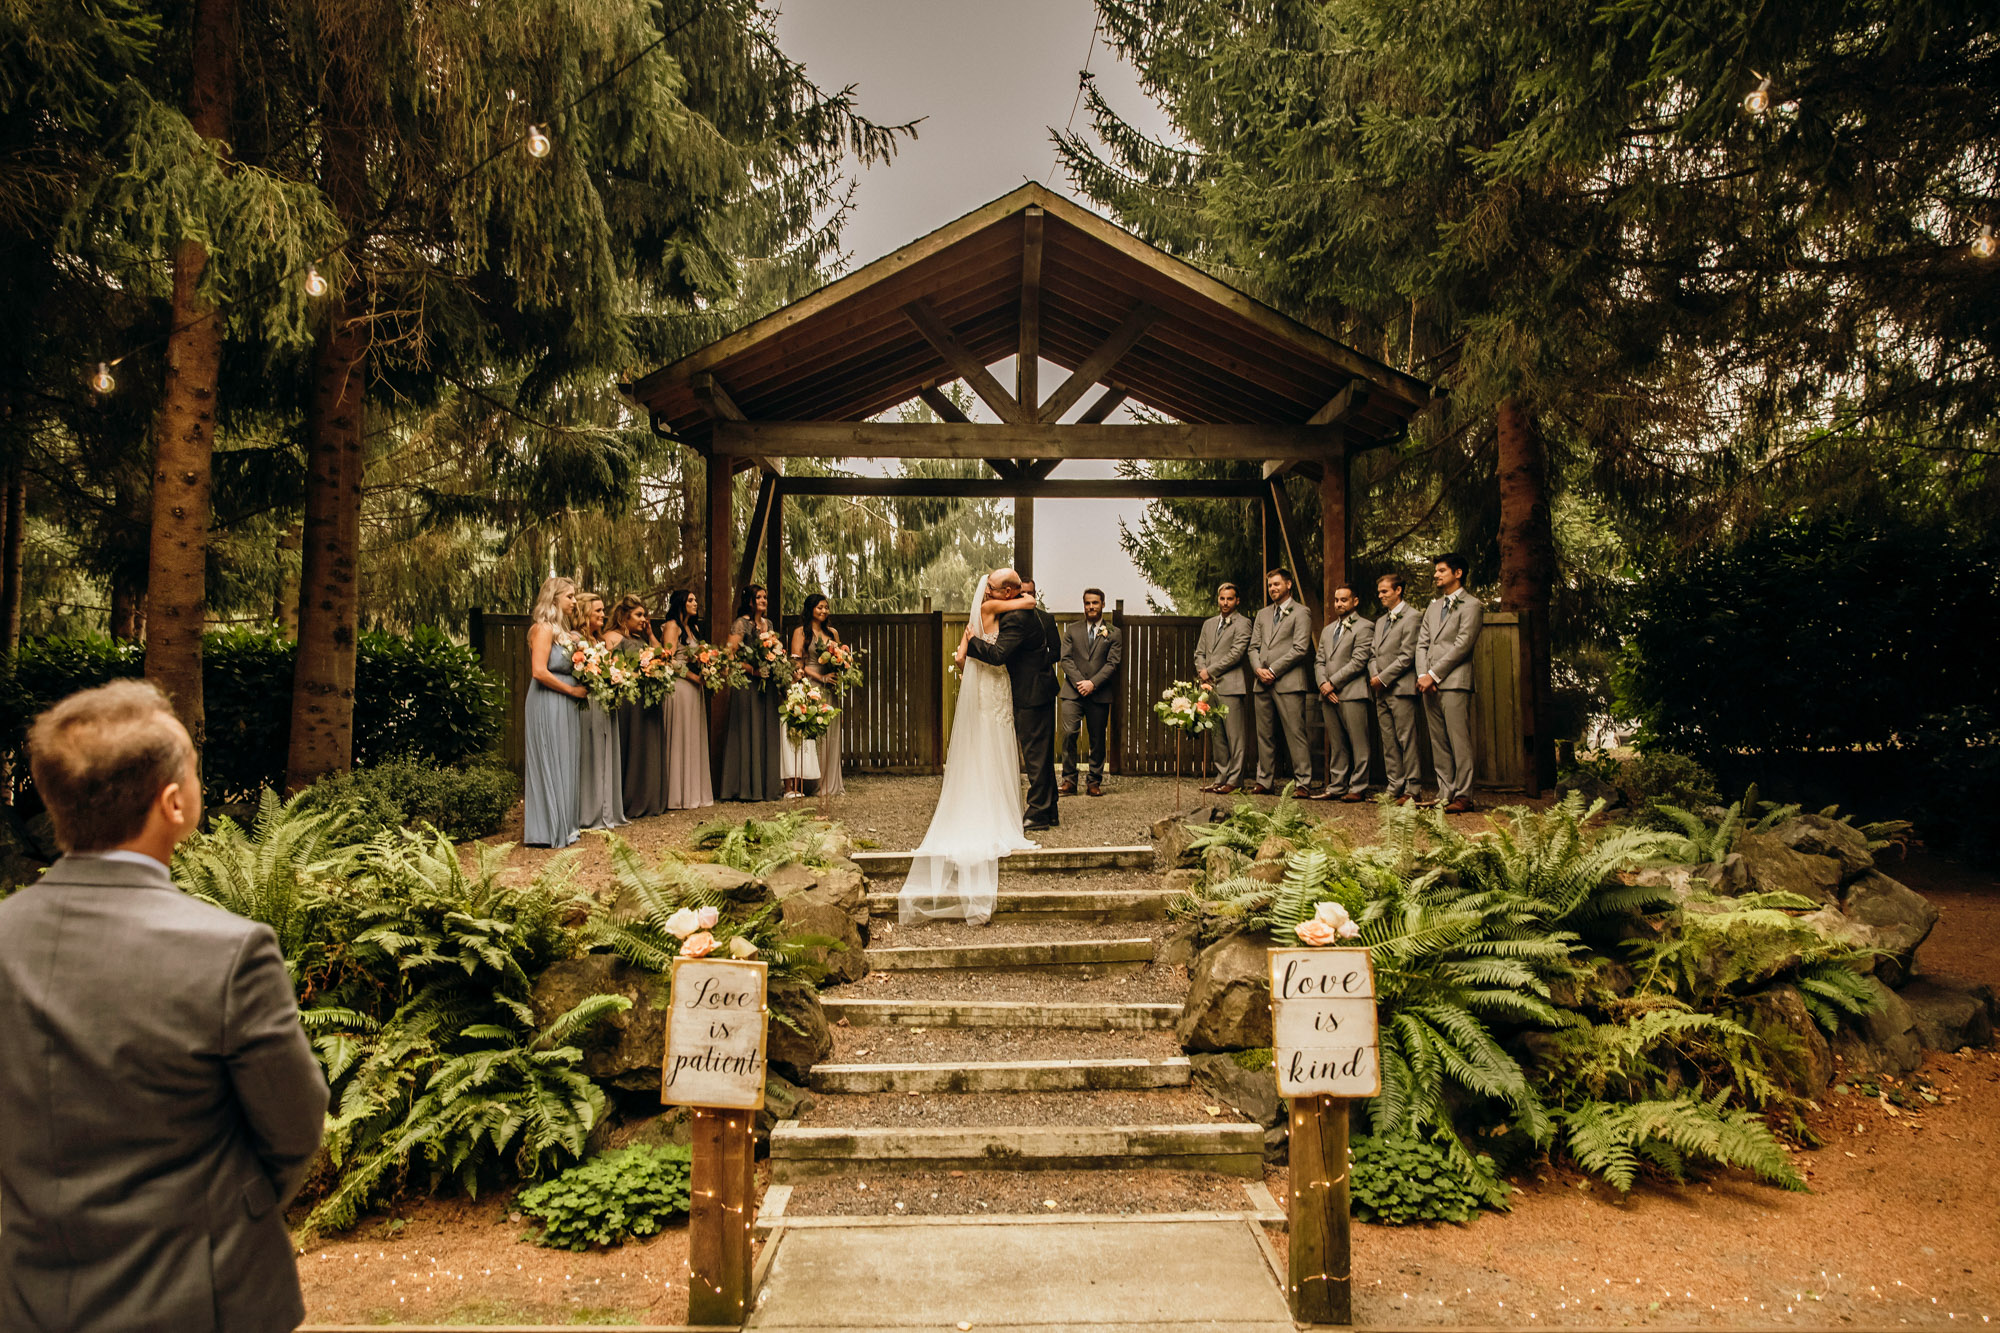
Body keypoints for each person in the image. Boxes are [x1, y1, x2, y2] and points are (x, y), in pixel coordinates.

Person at [0, 680, 328, 1332]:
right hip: (201, 1299)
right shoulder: (231, 953)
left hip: (25, 1297)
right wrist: (227, 1215)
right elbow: (295, 1128)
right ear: (174, 802)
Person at [899, 570, 1044, 924]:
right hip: (995, 686)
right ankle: (997, 813)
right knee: (995, 747)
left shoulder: (981, 611)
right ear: (998, 591)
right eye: (997, 589)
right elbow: (1030, 600)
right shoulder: (993, 605)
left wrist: (966, 646)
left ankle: (982, 803)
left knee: (985, 748)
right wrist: (1020, 597)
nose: (997, 594)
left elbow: (962, 660)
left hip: (986, 689)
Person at [1417, 552, 1484, 813]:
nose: (1436, 574)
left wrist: (1433, 675)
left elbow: (1462, 646)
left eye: (1442, 570)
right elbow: (1422, 644)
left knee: (1459, 741)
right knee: (1439, 741)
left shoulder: (1472, 606)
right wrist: (1424, 676)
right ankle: (1445, 793)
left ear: (1458, 573)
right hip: (1428, 684)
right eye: (1436, 571)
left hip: (1454, 682)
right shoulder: (1433, 607)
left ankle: (1464, 796)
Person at [524, 575, 587, 846]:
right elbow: (538, 671)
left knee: (566, 758)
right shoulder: (543, 629)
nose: (574, 601)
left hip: (566, 703)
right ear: (554, 598)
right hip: (548, 701)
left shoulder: (565, 633)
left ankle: (566, 825)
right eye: (569, 596)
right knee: (551, 758)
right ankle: (547, 830)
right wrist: (572, 691)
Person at [1246, 567, 1314, 795]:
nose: (1272, 588)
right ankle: (1264, 781)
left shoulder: (1301, 612)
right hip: (1261, 682)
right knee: (1264, 734)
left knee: (1295, 733)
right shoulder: (1262, 614)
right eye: (1270, 585)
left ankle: (1303, 782)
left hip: (1288, 682)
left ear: (1288, 585)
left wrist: (1273, 670)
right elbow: (1253, 647)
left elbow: (1300, 648)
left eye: (1276, 584)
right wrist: (1258, 669)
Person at [720, 583, 783, 802]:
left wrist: (775, 665)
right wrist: (753, 669)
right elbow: (729, 655)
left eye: (765, 597)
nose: (764, 600)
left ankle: (766, 785)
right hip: (748, 685)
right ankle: (746, 786)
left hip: (767, 684)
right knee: (748, 730)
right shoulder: (741, 624)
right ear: (750, 601)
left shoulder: (769, 624)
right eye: (759, 597)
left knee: (766, 730)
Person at [1058, 587, 1123, 797]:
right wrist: (1080, 683)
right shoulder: (1072, 630)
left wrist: (1092, 684)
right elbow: (1065, 660)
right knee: (1069, 734)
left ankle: (1094, 781)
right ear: (1083, 605)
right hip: (1072, 692)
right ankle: (1069, 779)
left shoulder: (1113, 632)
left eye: (1095, 603)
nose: (1091, 607)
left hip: (1099, 693)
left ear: (1103, 604)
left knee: (1097, 738)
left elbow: (1112, 663)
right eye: (1087, 603)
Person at [1314, 583, 1376, 801]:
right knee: (1337, 742)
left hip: (1352, 692)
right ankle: (1337, 785)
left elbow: (1359, 661)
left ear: (1355, 601)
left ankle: (1358, 787)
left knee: (1359, 742)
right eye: (1337, 600)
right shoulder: (1328, 629)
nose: (1339, 604)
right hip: (1328, 694)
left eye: (1344, 600)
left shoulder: (1365, 627)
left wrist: (1333, 683)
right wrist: (1323, 684)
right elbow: (1319, 660)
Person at [608, 594, 667, 818]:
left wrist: (651, 634)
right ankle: (628, 799)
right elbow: (613, 668)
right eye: (639, 615)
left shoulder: (642, 639)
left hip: (648, 700)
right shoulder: (612, 637)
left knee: (647, 747)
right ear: (624, 616)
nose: (644, 619)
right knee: (631, 746)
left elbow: (662, 655)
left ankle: (649, 798)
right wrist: (640, 673)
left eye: (645, 615)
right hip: (629, 703)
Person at [571, 591, 627, 831]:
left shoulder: (599, 641)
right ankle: (588, 811)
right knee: (589, 752)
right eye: (598, 611)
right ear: (585, 614)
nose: (604, 615)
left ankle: (606, 809)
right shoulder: (574, 639)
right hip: (587, 702)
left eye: (603, 610)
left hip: (603, 701)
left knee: (604, 751)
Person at [1368, 572, 1423, 804]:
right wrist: (1374, 675)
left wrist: (1384, 678)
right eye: (1379, 591)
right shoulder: (1381, 621)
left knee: (1406, 739)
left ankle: (1413, 788)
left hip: (1400, 688)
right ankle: (1394, 785)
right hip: (1380, 689)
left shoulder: (1413, 617)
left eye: (1385, 591)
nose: (1380, 595)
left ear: (1398, 590)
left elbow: (1407, 655)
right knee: (1388, 740)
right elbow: (1372, 653)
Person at [658, 589, 714, 811]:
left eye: (696, 599)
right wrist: (694, 677)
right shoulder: (672, 626)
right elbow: (668, 660)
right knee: (680, 735)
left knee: (692, 735)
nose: (696, 602)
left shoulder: (694, 629)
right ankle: (676, 794)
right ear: (680, 603)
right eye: (691, 600)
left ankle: (693, 792)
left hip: (694, 690)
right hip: (679, 687)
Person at [1194, 582, 1253, 794]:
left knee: (1235, 736)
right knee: (1217, 735)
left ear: (1237, 600)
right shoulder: (1209, 624)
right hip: (1210, 687)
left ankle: (1235, 780)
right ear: (1218, 599)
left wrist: (1210, 671)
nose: (1225, 602)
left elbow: (1236, 654)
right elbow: (1199, 651)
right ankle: (1221, 776)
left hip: (1231, 686)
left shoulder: (1243, 623)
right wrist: (1202, 670)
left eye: (1229, 599)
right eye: (1222, 598)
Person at [791, 592, 845, 798]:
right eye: (819, 607)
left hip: (830, 685)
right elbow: (797, 665)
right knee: (813, 734)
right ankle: (811, 783)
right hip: (811, 686)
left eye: (826, 607)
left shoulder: (833, 633)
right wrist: (820, 678)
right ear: (810, 609)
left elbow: (840, 657)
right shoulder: (801, 633)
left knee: (830, 732)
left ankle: (830, 782)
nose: (824, 611)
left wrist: (841, 669)